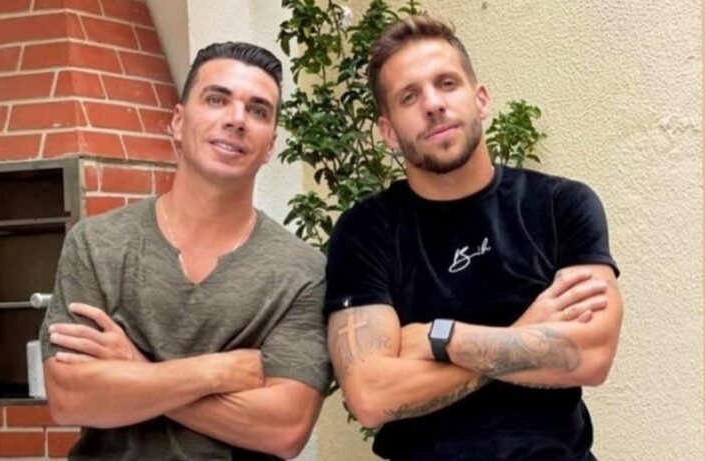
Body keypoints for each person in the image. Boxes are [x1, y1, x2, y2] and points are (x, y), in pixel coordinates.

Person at [324, 15, 623, 461]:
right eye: (409, 96)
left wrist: (440, 338)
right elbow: (370, 395)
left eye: (446, 83)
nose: (432, 104)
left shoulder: (560, 206)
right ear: (388, 132)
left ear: (480, 99)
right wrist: (526, 333)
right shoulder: (366, 231)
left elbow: (590, 355)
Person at [39, 42, 330, 461]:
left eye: (258, 110)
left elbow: (284, 430)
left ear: (270, 145)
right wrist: (219, 371)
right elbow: (71, 398)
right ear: (177, 121)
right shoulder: (96, 243)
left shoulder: (301, 271)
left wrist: (135, 369)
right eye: (217, 99)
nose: (236, 119)